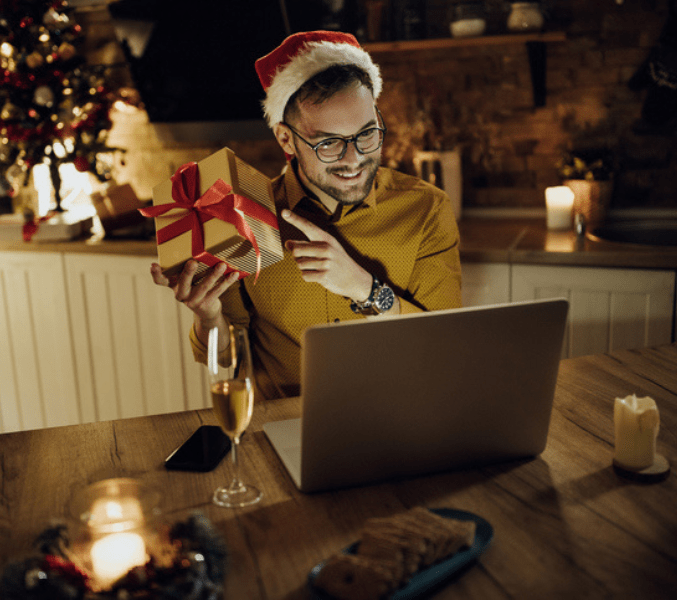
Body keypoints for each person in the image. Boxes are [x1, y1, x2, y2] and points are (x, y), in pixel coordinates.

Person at [151, 30, 462, 401]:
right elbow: (226, 359)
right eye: (329, 142)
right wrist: (208, 316)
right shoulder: (242, 217)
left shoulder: (425, 209)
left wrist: (365, 288)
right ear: (286, 139)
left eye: (367, 133)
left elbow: (442, 348)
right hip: (282, 420)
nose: (354, 159)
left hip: (394, 414)